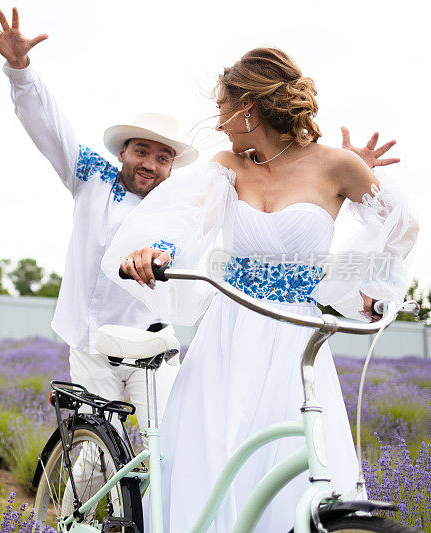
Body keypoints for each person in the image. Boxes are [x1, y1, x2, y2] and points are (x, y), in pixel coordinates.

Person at [106, 47, 418, 532]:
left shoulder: (338, 166)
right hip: (227, 335)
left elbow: (399, 228)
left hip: (297, 337)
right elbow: (188, 221)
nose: (218, 123)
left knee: (300, 458)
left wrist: (362, 288)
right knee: (213, 458)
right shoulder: (228, 165)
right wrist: (157, 252)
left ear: (248, 109)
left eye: (222, 108)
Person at [0, 7, 194, 428]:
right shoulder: (92, 178)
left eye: (163, 157)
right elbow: (50, 127)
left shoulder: (177, 207)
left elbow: (174, 248)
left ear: (172, 167)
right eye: (141, 152)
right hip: (89, 342)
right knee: (93, 461)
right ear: (122, 153)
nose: (151, 164)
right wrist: (20, 69)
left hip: (149, 346)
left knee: (171, 446)